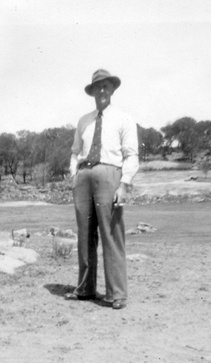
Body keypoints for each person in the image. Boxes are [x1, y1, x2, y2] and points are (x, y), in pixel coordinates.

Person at [66, 68, 139, 310]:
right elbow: (76, 151)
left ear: (112, 89)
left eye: (106, 86)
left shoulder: (124, 118)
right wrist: (74, 175)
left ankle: (116, 294)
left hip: (110, 174)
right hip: (84, 177)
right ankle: (85, 288)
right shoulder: (84, 121)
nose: (102, 90)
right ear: (92, 91)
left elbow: (131, 156)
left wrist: (124, 185)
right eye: (98, 87)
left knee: (111, 234)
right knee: (85, 235)